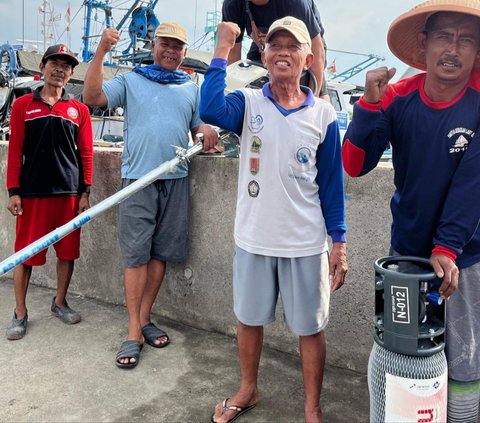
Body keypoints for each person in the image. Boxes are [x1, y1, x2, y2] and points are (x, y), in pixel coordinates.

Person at [200, 16, 347, 423]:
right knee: (248, 320)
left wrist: (340, 243)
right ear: (264, 56)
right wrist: (222, 46)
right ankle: (248, 389)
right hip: (253, 238)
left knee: (310, 328)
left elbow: (333, 187)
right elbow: (209, 107)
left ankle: (311, 409)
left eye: (293, 46)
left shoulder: (323, 115)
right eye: (275, 46)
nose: (283, 52)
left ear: (308, 57)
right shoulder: (248, 104)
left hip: (306, 242)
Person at [341, 1, 480, 421]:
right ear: (424, 44)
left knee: (464, 358)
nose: (453, 48)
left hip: (465, 256)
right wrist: (367, 104)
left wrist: (448, 249)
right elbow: (354, 164)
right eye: (443, 36)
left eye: (467, 39)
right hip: (407, 257)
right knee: (403, 354)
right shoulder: (398, 97)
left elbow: (470, 187)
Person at [83, 22, 218, 369]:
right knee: (135, 256)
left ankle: (144, 318)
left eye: (178, 47)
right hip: (137, 180)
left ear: (185, 53)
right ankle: (132, 331)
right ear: (153, 46)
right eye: (166, 45)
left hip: (176, 178)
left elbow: (197, 125)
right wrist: (101, 51)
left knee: (160, 254)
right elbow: (92, 97)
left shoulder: (190, 87)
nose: (171, 51)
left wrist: (205, 130)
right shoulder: (131, 80)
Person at [6, 44, 93, 339]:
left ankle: (59, 302)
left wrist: (85, 192)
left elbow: (86, 154)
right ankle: (20, 312)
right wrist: (13, 191)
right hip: (32, 195)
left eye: (66, 66)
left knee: (67, 253)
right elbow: (15, 150)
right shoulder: (22, 106)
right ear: (42, 67)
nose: (60, 69)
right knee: (24, 256)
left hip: (69, 195)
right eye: (55, 63)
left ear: (71, 74)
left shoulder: (79, 110)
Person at [222, 0, 328, 98]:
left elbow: (317, 53)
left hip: (305, 44)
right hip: (262, 44)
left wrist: (314, 102)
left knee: (316, 94)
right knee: (251, 80)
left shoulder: (296, 3)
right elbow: (233, 54)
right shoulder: (232, 4)